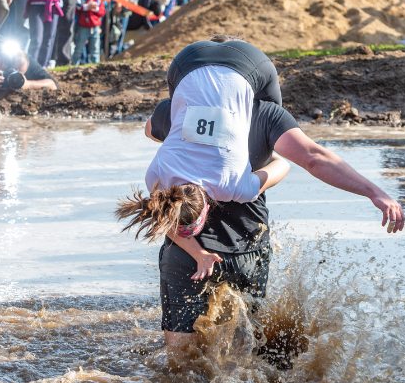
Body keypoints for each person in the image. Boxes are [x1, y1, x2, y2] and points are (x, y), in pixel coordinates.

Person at [142, 37, 405, 351]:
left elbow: (149, 131)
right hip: (195, 60)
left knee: (180, 357)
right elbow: (305, 159)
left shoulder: (183, 162)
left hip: (225, 63)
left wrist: (185, 137)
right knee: (265, 131)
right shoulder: (230, 164)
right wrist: (374, 193)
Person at [119, 62, 291, 281]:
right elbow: (284, 164)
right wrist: (267, 154)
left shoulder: (177, 113)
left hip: (187, 252)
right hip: (246, 244)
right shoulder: (261, 115)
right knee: (250, 313)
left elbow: (149, 129)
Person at [73, 0, 106, 65]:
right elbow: (77, 7)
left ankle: (95, 67)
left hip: (95, 27)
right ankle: (73, 65)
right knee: (78, 48)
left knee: (95, 50)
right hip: (83, 26)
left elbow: (102, 12)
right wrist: (87, 7)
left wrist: (95, 8)